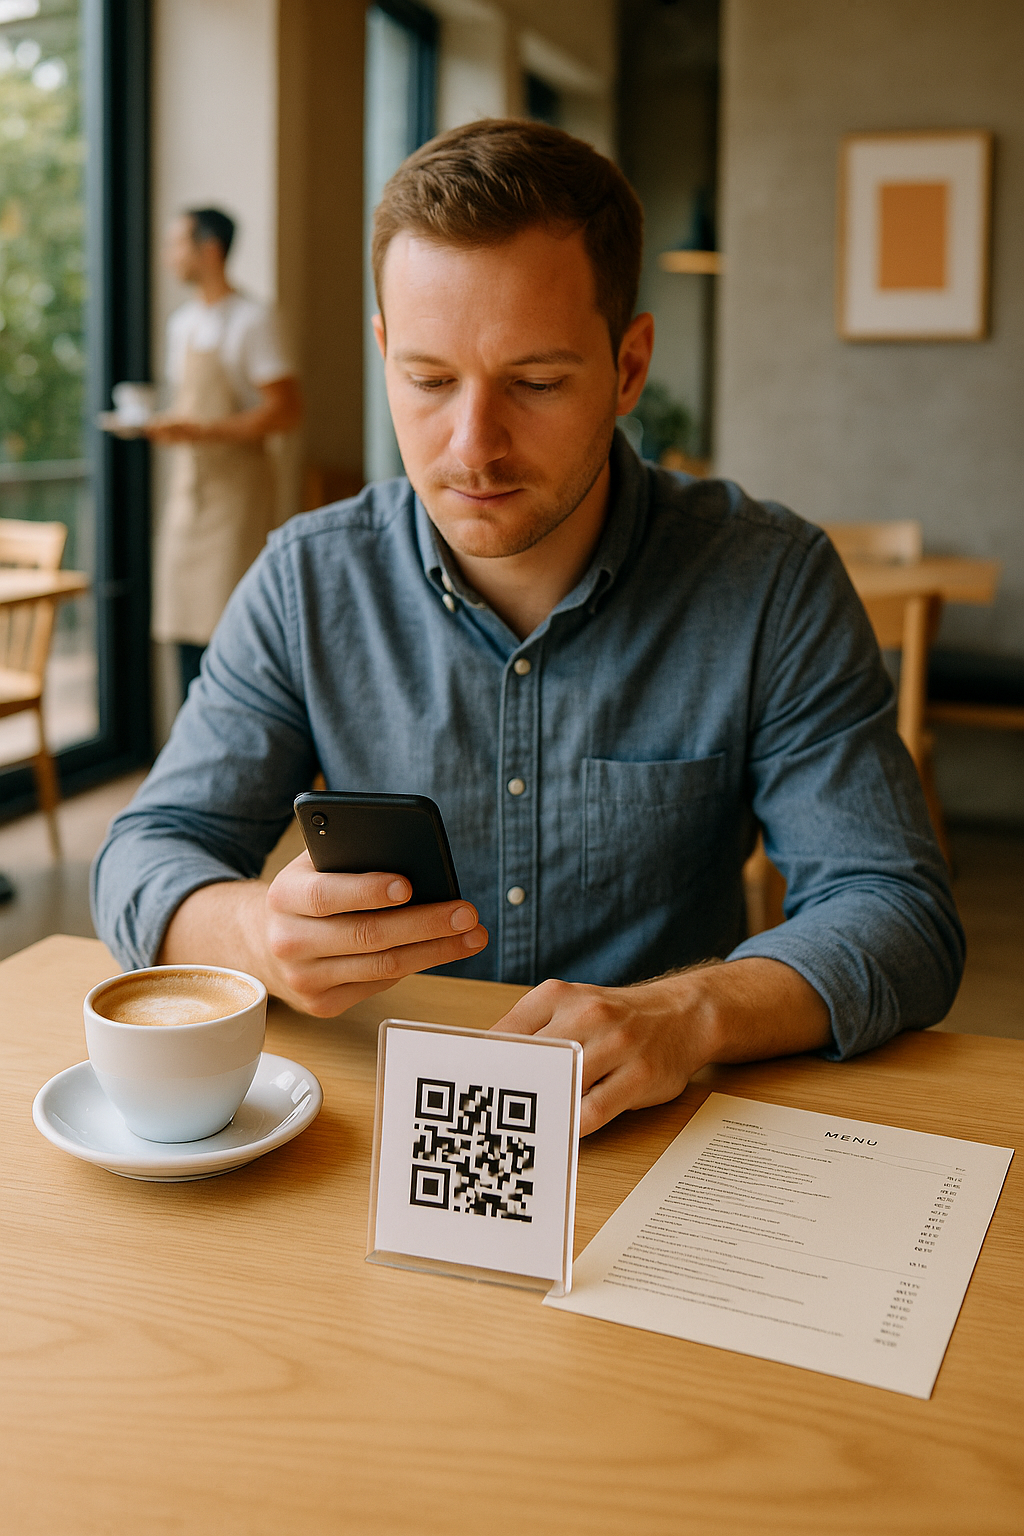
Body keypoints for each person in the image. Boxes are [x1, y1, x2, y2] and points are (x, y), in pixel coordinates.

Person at [93, 121, 963, 1137]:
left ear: (628, 365)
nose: (473, 447)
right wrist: (249, 931)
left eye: (536, 383)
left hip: (657, 1141)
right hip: (381, 1135)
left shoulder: (767, 581)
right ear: (383, 351)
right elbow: (145, 853)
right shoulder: (307, 580)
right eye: (426, 380)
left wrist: (686, 1012)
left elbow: (897, 912)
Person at [147, 207, 303, 700]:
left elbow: (286, 410)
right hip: (188, 493)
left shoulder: (253, 319)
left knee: (230, 625)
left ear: (208, 250)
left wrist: (207, 431)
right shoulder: (182, 324)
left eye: (177, 244)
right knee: (181, 623)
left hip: (237, 495)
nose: (170, 256)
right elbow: (189, 403)